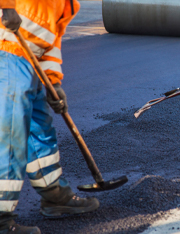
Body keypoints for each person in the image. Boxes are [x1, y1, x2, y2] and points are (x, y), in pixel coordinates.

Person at [0, 0, 99, 233]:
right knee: (11, 137)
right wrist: (6, 6)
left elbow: (51, 42)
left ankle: (55, 197)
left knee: (40, 131)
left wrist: (53, 81)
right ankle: (2, 219)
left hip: (30, 65)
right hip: (7, 54)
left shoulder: (66, 4)